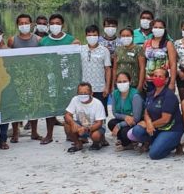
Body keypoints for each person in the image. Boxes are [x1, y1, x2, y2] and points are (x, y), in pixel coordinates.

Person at [38, 14, 80, 145]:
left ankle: (70, 133)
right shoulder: (43, 41)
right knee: (50, 107)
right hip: (50, 78)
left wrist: (77, 46)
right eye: (52, 23)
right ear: (49, 25)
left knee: (69, 107)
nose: (55, 25)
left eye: (58, 23)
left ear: (63, 25)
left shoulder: (71, 39)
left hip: (67, 79)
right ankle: (49, 134)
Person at [127, 68, 184, 160]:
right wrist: (149, 123)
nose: (157, 78)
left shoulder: (169, 96)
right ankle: (157, 141)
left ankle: (174, 144)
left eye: (160, 76)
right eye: (155, 76)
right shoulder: (151, 93)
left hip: (171, 129)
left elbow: (165, 119)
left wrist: (149, 125)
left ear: (166, 80)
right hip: (156, 128)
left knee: (154, 154)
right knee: (136, 131)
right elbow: (146, 112)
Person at [8, 14, 42, 142]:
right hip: (17, 77)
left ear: (31, 24)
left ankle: (34, 132)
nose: (24, 25)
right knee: (16, 104)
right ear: (17, 25)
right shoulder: (12, 40)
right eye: (21, 23)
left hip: (34, 76)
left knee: (34, 104)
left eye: (26, 22)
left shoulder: (38, 40)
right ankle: (15, 132)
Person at [63, 82, 107, 153]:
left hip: (94, 127)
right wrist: (73, 123)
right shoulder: (75, 99)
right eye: (80, 93)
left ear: (91, 93)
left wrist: (86, 129)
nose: (83, 95)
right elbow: (67, 115)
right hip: (81, 124)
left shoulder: (98, 103)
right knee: (67, 125)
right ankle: (78, 143)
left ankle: (98, 142)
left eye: (85, 93)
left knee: (95, 136)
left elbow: (99, 123)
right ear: (77, 93)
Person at [138, 19, 177, 93]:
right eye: (155, 27)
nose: (158, 29)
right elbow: (142, 65)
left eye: (160, 27)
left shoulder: (168, 44)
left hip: (163, 80)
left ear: (164, 29)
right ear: (152, 28)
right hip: (149, 80)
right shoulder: (146, 43)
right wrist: (142, 79)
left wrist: (172, 83)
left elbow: (173, 64)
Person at [81, 25, 112, 113]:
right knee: (85, 112)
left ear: (98, 36)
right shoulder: (81, 49)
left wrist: (107, 87)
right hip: (85, 88)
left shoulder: (104, 50)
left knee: (100, 112)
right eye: (89, 35)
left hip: (100, 88)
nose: (92, 37)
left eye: (94, 35)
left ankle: (101, 127)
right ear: (86, 36)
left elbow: (107, 69)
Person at [108, 72, 143, 150]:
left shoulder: (135, 95)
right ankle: (126, 141)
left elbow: (136, 118)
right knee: (111, 123)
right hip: (125, 119)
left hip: (136, 122)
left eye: (124, 81)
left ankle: (129, 143)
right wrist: (125, 117)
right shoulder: (115, 94)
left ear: (130, 82)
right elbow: (114, 112)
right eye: (119, 82)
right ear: (116, 83)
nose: (122, 84)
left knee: (124, 131)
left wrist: (119, 125)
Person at [113, 27, 143, 93]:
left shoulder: (138, 49)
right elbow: (115, 68)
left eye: (128, 35)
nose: (125, 37)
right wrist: (113, 85)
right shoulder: (118, 49)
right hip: (119, 84)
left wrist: (140, 85)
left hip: (133, 84)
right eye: (123, 36)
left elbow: (142, 68)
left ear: (132, 36)